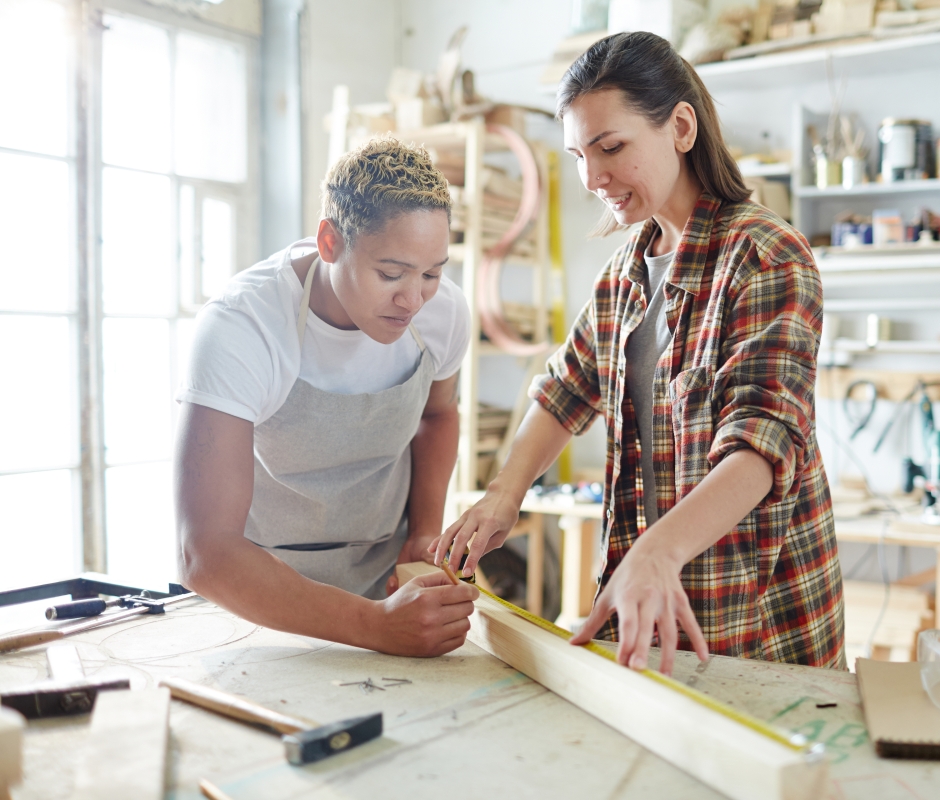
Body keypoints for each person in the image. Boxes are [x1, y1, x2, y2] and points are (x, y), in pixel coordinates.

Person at [431, 32, 844, 675]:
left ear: (681, 126)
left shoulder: (765, 255)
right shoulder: (623, 274)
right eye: (578, 154)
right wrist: (503, 495)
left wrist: (657, 552)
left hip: (759, 626)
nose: (592, 178)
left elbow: (761, 445)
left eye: (611, 147)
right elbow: (564, 392)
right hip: (652, 615)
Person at [175, 138, 478, 657]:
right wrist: (374, 627)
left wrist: (424, 529)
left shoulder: (443, 313)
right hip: (259, 596)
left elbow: (438, 415)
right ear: (330, 243)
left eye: (431, 273)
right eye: (390, 273)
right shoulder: (242, 327)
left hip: (385, 583)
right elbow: (205, 552)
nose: (413, 299)